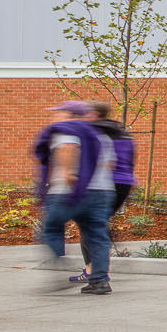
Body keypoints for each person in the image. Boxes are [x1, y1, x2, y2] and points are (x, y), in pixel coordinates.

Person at [33, 100, 113, 294]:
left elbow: (68, 148)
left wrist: (70, 174)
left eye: (57, 112)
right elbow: (110, 164)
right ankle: (99, 281)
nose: (54, 116)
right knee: (97, 236)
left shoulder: (67, 129)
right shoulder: (100, 134)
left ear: (69, 114)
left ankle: (58, 269)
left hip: (68, 191)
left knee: (49, 228)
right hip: (102, 191)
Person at [68, 102, 137, 286]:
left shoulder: (94, 131)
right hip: (126, 182)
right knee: (98, 225)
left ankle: (93, 271)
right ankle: (98, 269)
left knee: (88, 224)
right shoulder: (121, 131)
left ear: (94, 114)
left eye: (87, 113)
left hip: (104, 183)